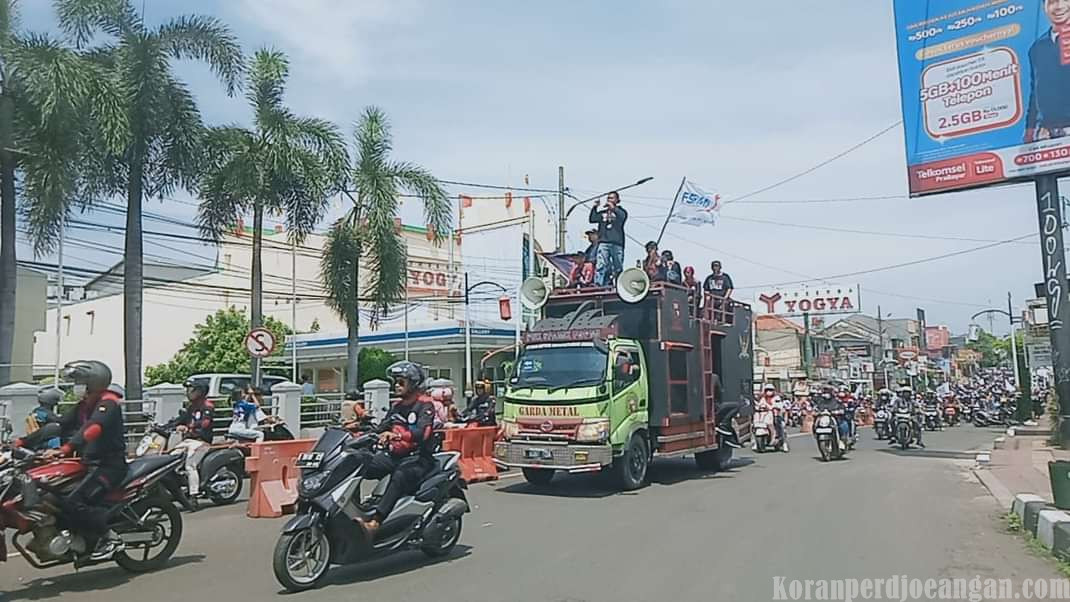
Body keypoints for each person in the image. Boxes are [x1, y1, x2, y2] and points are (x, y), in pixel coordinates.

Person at [18, 360, 127, 563]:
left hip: (109, 465)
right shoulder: (84, 405)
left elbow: (94, 428)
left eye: (79, 381)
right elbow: (58, 426)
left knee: (74, 501)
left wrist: (66, 449)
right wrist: (21, 441)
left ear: (93, 382)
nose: (76, 385)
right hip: (87, 463)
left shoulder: (108, 402)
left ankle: (108, 538)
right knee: (51, 495)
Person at [354, 361, 437, 538]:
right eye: (395, 382)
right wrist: (354, 432)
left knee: (400, 476)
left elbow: (423, 432)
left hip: (418, 458)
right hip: (394, 455)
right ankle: (352, 512)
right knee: (356, 463)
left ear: (413, 383)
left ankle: (375, 522)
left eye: (401, 382)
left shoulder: (425, 404)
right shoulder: (397, 407)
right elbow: (380, 428)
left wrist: (397, 436)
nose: (396, 386)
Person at [164, 378, 216, 510]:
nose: (188, 392)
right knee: (170, 459)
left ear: (200, 391)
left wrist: (190, 427)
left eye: (192, 389)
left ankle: (194, 496)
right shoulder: (191, 407)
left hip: (201, 442)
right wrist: (163, 427)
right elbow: (179, 420)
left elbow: (205, 424)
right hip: (188, 441)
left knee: (190, 465)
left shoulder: (207, 406)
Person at [1025, 0, 1070, 142]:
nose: (1058, 6)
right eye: (1052, 2)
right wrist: (1030, 129)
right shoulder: (1037, 48)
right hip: (1047, 133)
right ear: (1044, 7)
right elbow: (1035, 93)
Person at [589, 190, 628, 286]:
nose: (609, 200)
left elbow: (622, 217)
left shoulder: (621, 212)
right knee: (601, 264)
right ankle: (598, 284)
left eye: (612, 198)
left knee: (617, 266)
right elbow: (592, 219)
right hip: (604, 242)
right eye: (608, 198)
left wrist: (613, 208)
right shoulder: (603, 213)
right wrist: (595, 207)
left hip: (617, 243)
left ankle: (619, 285)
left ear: (617, 200)